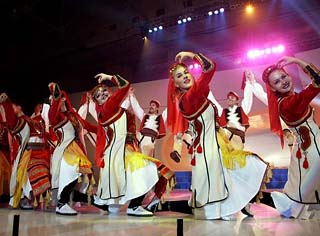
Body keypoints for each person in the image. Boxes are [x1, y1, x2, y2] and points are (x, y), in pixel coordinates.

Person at [167, 51, 268, 220]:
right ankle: (217, 211)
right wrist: (191, 54)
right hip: (207, 148)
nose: (185, 76)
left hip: (211, 144)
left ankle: (225, 208)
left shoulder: (196, 96)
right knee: (219, 175)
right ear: (175, 85)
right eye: (179, 76)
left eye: (186, 72)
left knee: (234, 169)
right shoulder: (189, 98)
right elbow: (210, 67)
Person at [82, 73, 161, 216]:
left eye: (105, 91)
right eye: (99, 95)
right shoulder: (107, 108)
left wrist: (129, 97)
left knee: (120, 193)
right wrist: (108, 77)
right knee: (145, 168)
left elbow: (124, 101)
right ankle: (134, 206)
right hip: (118, 152)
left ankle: (134, 205)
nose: (103, 94)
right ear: (97, 102)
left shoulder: (115, 109)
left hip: (122, 151)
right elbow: (125, 84)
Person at [262, 56, 320, 219]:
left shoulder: (290, 98)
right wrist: (298, 61)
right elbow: (318, 81)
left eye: (284, 76)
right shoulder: (288, 104)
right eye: (277, 82)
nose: (283, 81)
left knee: (301, 190)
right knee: (302, 193)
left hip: (305, 150)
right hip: (312, 151)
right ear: (273, 89)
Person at [47, 83, 95, 215]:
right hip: (63, 151)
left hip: (74, 149)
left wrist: (107, 126)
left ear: (64, 99)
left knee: (77, 176)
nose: (57, 99)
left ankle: (66, 201)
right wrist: (56, 97)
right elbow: (52, 115)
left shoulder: (73, 115)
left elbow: (89, 126)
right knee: (71, 173)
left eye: (59, 97)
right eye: (54, 97)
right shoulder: (57, 116)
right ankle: (61, 203)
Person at [0, 94, 33, 209]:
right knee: (21, 174)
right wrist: (6, 103)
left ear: (19, 107)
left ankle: (25, 198)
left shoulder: (28, 120)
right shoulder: (17, 122)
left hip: (35, 151)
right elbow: (10, 119)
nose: (12, 110)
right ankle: (22, 199)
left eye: (14, 108)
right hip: (23, 152)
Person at [129, 88, 166, 157]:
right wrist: (131, 95)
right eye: (150, 105)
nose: (151, 107)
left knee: (147, 160)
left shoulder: (161, 118)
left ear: (157, 108)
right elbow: (136, 107)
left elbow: (168, 110)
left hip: (149, 140)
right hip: (140, 137)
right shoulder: (144, 116)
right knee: (128, 135)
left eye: (153, 105)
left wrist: (174, 98)